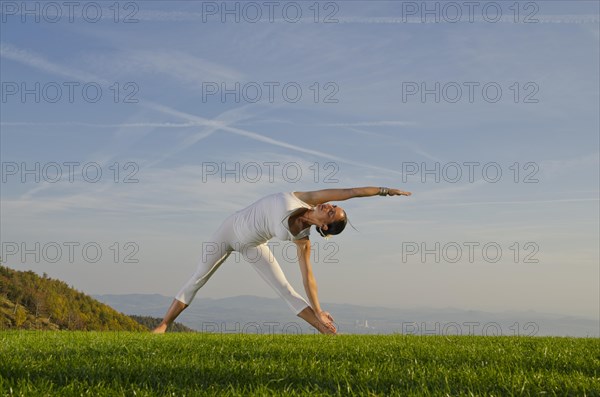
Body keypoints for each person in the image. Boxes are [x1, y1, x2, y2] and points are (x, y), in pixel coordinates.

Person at [152, 187, 411, 334]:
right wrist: (383, 191)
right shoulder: (305, 199)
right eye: (332, 206)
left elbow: (308, 277)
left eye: (331, 213)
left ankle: (326, 331)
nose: (329, 206)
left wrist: (319, 310)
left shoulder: (303, 239)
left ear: (324, 229)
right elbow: (349, 192)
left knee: (287, 290)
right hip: (228, 231)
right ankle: (163, 326)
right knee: (198, 277)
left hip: (253, 246)